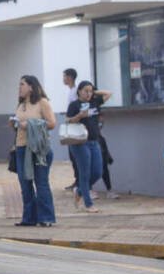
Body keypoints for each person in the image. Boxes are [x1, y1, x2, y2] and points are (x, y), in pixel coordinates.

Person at [11, 75, 56, 227]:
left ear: (31, 87)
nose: (19, 88)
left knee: (41, 183)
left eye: (22, 84)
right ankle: (29, 218)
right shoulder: (21, 104)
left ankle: (46, 217)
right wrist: (15, 124)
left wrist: (29, 124)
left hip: (38, 149)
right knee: (25, 184)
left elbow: (51, 123)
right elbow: (19, 124)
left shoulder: (42, 103)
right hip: (22, 148)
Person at [65, 80, 112, 213]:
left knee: (98, 171)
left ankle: (79, 191)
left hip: (94, 141)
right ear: (79, 91)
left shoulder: (94, 102)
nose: (88, 93)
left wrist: (94, 92)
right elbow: (68, 120)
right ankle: (88, 204)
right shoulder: (74, 105)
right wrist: (80, 115)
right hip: (79, 142)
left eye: (90, 91)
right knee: (84, 174)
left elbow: (109, 94)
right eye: (85, 90)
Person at [62, 68, 79, 192]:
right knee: (72, 155)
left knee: (75, 155)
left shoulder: (75, 92)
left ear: (70, 77)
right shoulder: (70, 91)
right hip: (70, 125)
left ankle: (79, 181)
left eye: (65, 76)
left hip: (74, 126)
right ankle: (76, 180)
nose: (63, 79)